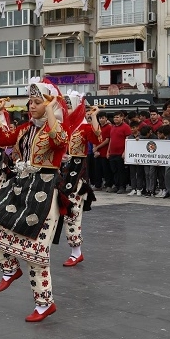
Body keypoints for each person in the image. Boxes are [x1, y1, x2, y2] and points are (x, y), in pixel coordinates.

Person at [0, 80, 68, 322]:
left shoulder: (55, 128)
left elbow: (59, 140)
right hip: (20, 186)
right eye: (31, 102)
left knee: (36, 253)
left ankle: (44, 304)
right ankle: (9, 268)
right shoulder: (25, 129)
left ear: (49, 104)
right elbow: (0, 138)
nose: (32, 106)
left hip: (46, 192)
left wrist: (50, 111)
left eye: (38, 102)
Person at [57, 92, 100, 267]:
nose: (67, 107)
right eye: (65, 105)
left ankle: (76, 252)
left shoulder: (83, 127)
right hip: (62, 172)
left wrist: (94, 117)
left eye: (70, 104)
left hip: (77, 174)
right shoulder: (63, 124)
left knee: (72, 211)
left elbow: (98, 138)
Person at [107, 111, 131, 194]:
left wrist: (125, 152)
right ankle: (116, 185)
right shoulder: (112, 127)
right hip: (112, 153)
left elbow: (128, 140)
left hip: (120, 153)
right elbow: (111, 140)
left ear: (122, 118)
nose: (115, 119)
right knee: (114, 170)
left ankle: (122, 186)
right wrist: (108, 151)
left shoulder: (126, 127)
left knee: (121, 171)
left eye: (117, 117)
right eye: (114, 117)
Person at [93, 111, 112, 191]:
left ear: (106, 118)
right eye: (100, 118)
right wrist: (95, 150)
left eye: (103, 118)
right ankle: (98, 185)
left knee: (106, 170)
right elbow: (94, 138)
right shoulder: (97, 127)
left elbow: (107, 140)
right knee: (97, 170)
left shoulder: (109, 127)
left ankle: (109, 185)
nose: (101, 120)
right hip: (98, 153)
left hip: (105, 152)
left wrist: (97, 147)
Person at [126, 121, 144, 196]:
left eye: (133, 128)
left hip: (140, 157)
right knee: (132, 173)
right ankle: (133, 188)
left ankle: (139, 188)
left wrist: (139, 139)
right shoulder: (129, 137)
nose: (132, 129)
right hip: (132, 158)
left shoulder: (142, 136)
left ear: (137, 127)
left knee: (139, 173)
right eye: (131, 128)